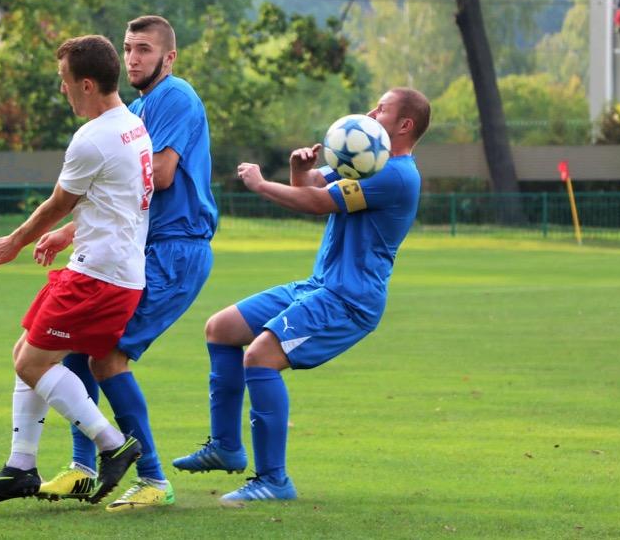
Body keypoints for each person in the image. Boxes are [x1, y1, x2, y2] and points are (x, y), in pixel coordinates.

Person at [172, 87, 431, 505]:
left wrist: (261, 185)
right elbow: (311, 187)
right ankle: (226, 447)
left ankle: (273, 480)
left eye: (381, 109)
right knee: (221, 328)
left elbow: (317, 203)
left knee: (260, 357)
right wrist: (299, 169)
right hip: (319, 285)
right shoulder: (367, 162)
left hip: (348, 300)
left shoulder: (396, 175)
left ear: (404, 125)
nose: (370, 113)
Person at [33, 15, 218, 511]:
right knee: (79, 348)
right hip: (144, 246)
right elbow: (123, 197)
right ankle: (83, 470)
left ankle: (154, 479)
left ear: (169, 57)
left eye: (144, 49)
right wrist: (71, 231)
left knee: (107, 358)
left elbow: (159, 175)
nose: (133, 58)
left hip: (176, 249)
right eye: (128, 48)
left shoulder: (175, 96)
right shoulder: (136, 109)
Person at [0, 34, 154, 506]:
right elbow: (111, 201)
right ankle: (21, 466)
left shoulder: (93, 138)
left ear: (86, 84)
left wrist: (14, 242)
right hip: (109, 268)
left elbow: (57, 204)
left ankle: (113, 445)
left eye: (64, 80)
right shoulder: (131, 125)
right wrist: (70, 233)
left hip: (99, 276)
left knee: (32, 363)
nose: (62, 89)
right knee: (26, 352)